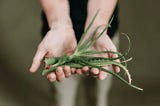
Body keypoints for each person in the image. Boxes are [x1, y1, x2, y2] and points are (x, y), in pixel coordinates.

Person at [30, 0, 119, 106]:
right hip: (59, 45)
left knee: (97, 97)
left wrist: (98, 26)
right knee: (61, 98)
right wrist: (59, 24)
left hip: (100, 43)